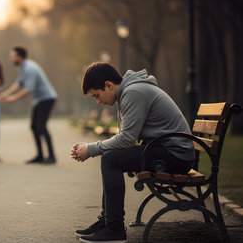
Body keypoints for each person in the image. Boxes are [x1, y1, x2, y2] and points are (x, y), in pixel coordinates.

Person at [70, 62, 194, 243]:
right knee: (111, 156)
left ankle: (114, 230)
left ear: (108, 85)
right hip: (168, 151)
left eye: (97, 95)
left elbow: (127, 139)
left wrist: (91, 149)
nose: (97, 101)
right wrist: (91, 147)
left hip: (175, 156)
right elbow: (126, 137)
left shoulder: (133, 93)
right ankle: (107, 223)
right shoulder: (128, 92)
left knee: (111, 159)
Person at [0, 45, 57, 164]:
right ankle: (40, 156)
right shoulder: (23, 67)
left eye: (12, 56)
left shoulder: (30, 68)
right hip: (39, 100)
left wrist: (13, 98)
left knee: (41, 127)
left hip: (46, 99)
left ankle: (51, 157)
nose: (10, 58)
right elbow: (18, 83)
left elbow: (28, 89)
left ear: (19, 57)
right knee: (34, 127)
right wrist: (5, 94)